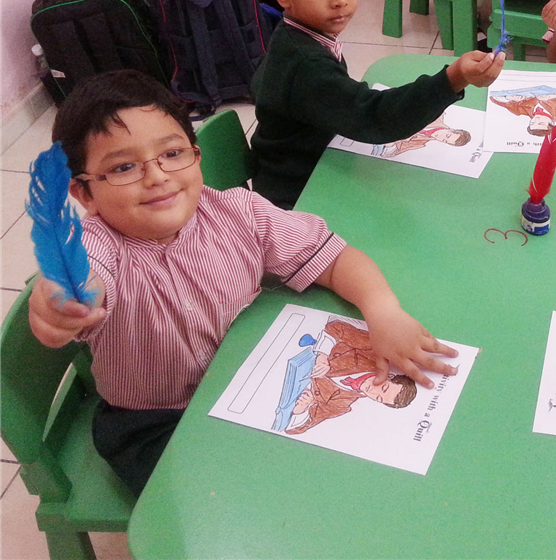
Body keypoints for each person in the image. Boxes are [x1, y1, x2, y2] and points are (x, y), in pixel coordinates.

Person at [27, 71, 458, 496]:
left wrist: (382, 310)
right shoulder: (97, 246)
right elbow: (82, 277)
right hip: (155, 421)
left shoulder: (239, 212)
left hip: (250, 381)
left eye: (172, 153)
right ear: (84, 193)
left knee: (330, 474)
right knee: (234, 500)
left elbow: (335, 258)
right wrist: (61, 299)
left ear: (196, 156)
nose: (157, 176)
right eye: (123, 167)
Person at [250, 0, 504, 208]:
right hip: (297, 198)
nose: (340, 0)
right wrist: (453, 78)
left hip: (311, 167)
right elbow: (374, 118)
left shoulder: (292, 35)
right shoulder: (307, 63)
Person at [284, 318, 418, 435]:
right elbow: (336, 327)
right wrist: (323, 354)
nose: (372, 391)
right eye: (383, 388)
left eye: (378, 398)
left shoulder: (341, 404)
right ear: (389, 376)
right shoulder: (370, 351)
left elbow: (297, 428)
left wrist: (301, 410)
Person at [373, 114, 470, 157]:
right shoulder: (436, 115)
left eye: (444, 140)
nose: (440, 137)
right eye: (447, 136)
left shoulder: (420, 143)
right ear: (450, 129)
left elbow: (392, 152)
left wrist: (396, 140)